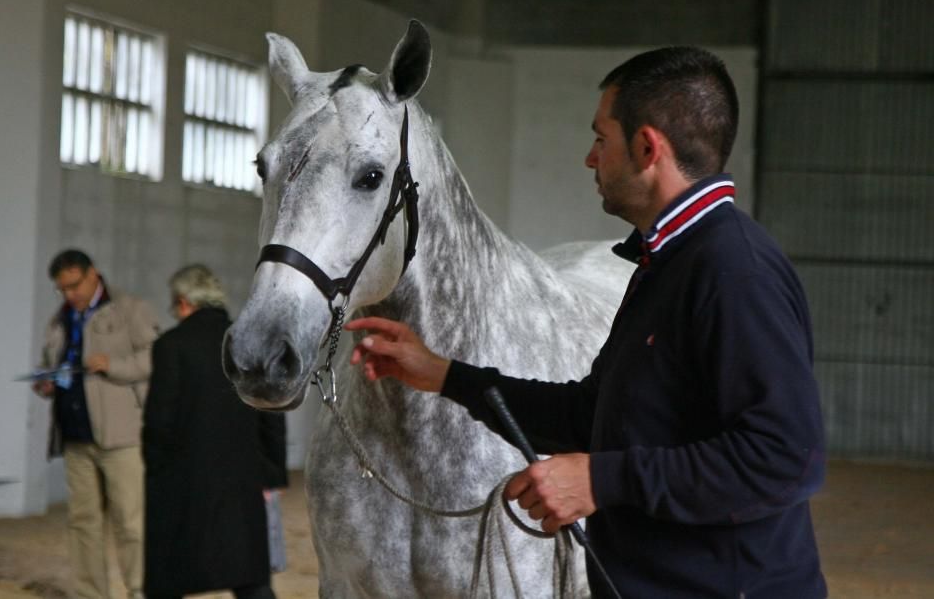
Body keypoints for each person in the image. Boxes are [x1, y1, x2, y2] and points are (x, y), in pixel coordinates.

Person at [345, 47, 828, 598]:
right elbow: (591, 417)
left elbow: (786, 458)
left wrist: (601, 479)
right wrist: (442, 375)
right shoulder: (667, 261)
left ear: (647, 147)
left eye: (602, 139)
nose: (590, 159)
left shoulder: (733, 268)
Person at [143, 264, 287, 599]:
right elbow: (272, 413)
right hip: (243, 480)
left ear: (182, 302)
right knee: (250, 578)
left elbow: (159, 422)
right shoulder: (251, 341)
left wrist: (155, 470)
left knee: (169, 576)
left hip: (183, 482)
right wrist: (272, 474)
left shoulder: (171, 345)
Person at [33, 249, 158, 599]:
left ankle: (140, 590)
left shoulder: (129, 308)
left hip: (123, 438)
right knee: (83, 523)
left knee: (131, 523)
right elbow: (51, 361)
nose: (70, 294)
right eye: (63, 289)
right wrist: (45, 381)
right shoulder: (60, 319)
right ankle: (90, 593)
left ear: (93, 275)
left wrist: (112, 364)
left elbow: (155, 356)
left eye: (74, 286)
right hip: (75, 437)